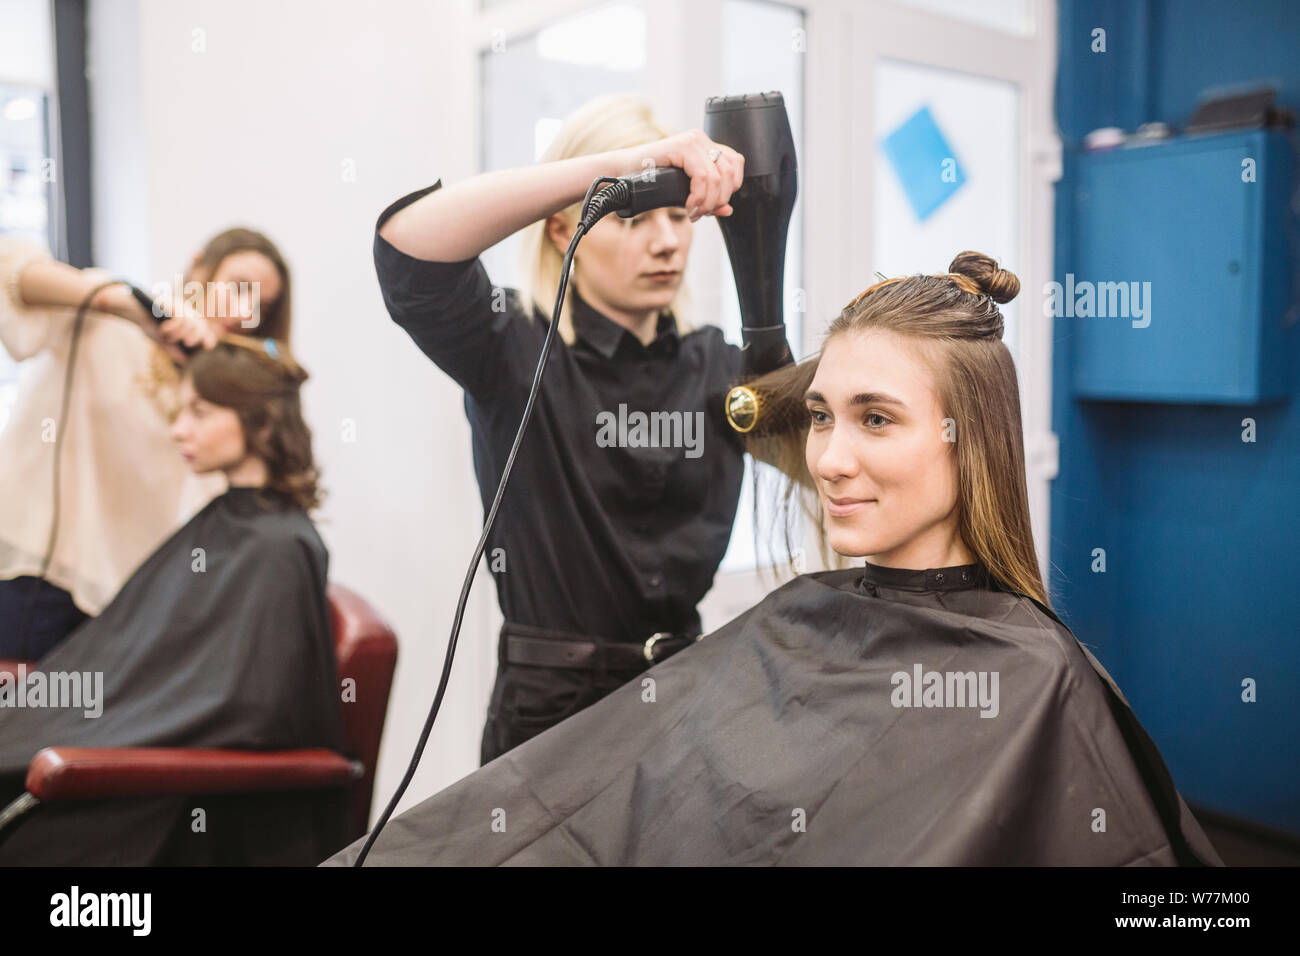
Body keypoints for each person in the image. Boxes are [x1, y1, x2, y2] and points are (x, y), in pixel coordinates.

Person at [324, 252, 1223, 866]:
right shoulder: (800, 623)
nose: (829, 459)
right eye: (823, 415)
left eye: (877, 419)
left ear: (970, 439)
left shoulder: (1037, 683)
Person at [375, 93, 792, 764]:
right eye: (633, 220)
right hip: (550, 720)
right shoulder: (509, 347)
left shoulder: (718, 366)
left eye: (678, 216)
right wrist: (624, 166)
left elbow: (814, 453)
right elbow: (408, 248)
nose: (666, 242)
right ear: (565, 232)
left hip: (684, 703)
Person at [0, 338, 346, 866]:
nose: (178, 428)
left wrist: (102, 731)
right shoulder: (229, 521)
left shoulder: (280, 547)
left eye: (200, 412)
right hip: (133, 744)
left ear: (261, 422)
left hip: (192, 796)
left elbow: (255, 709)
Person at [0, 229, 293, 659]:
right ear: (199, 266)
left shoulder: (214, 388)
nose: (245, 311)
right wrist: (119, 303)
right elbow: (12, 276)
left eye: (262, 306)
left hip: (125, 593)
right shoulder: (106, 318)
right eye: (237, 288)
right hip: (36, 568)